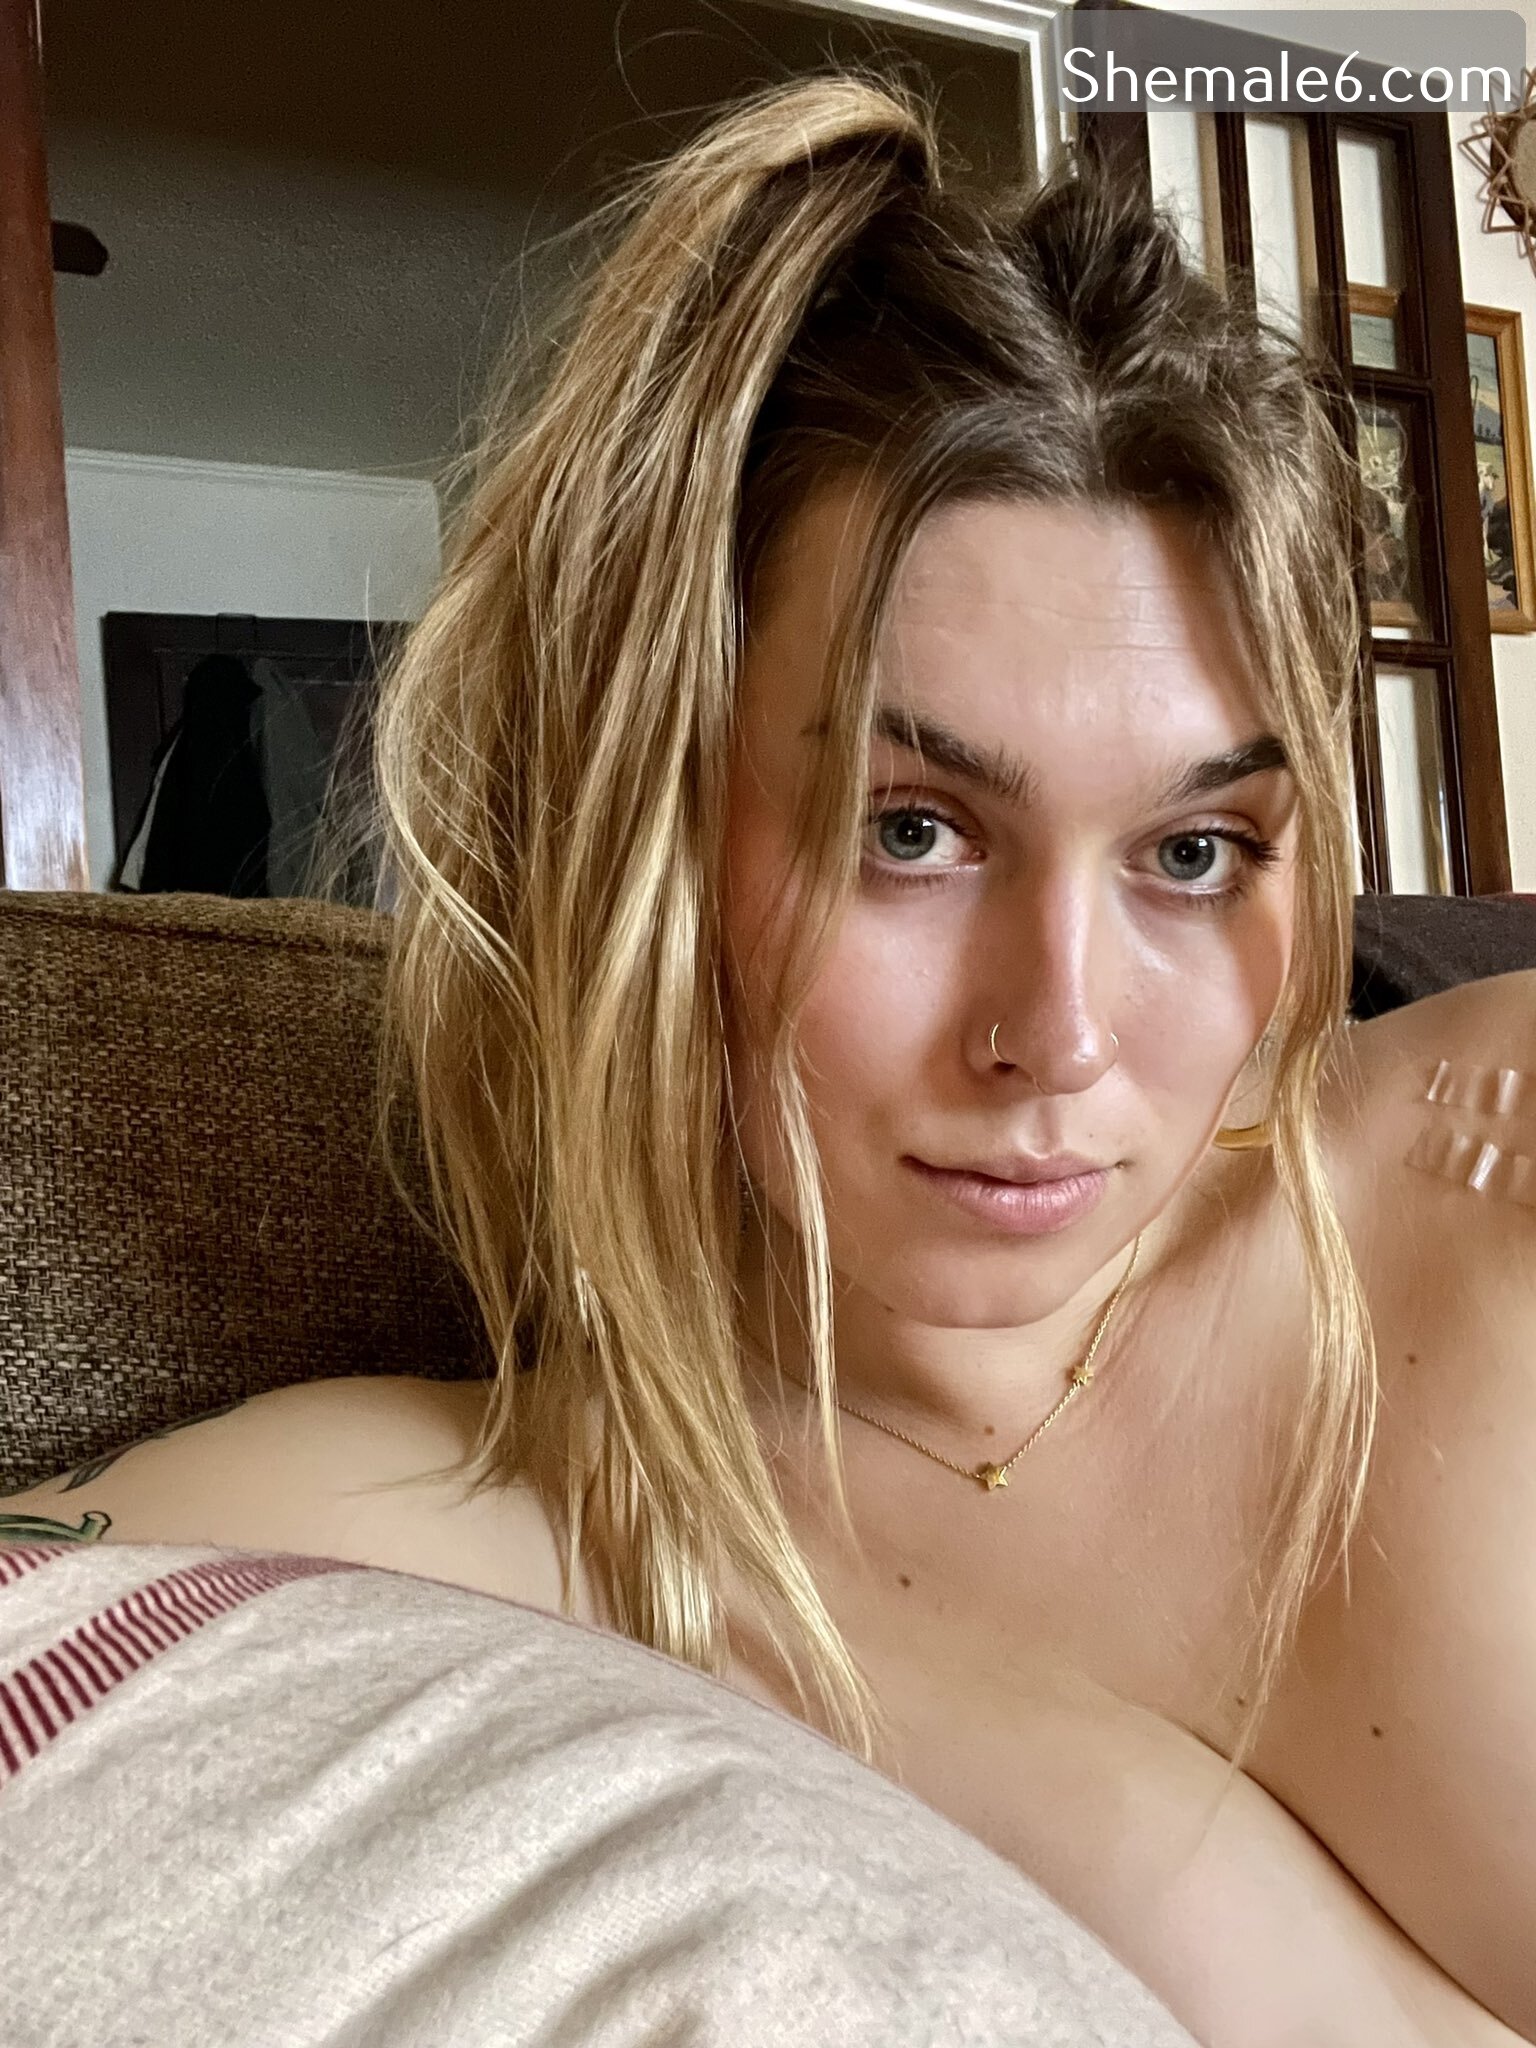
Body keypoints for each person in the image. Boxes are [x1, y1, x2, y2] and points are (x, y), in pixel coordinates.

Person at [6, 78, 1534, 2047]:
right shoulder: (569, 1500)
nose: (1060, 1035)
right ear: (646, 840)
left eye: (1190, 852)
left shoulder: (1490, 1184)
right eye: (916, 829)